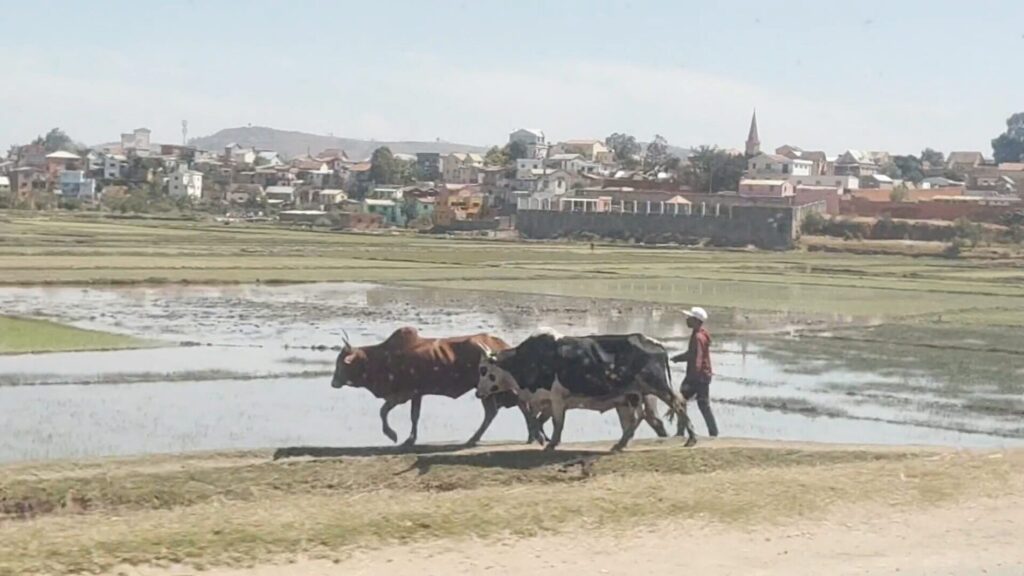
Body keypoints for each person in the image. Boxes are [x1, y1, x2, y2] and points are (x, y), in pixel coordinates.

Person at [670, 306, 718, 437]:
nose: (687, 320)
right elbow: (693, 354)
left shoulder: (698, 337)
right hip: (703, 376)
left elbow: (697, 357)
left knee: (680, 401)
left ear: (696, 321)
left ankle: (681, 432)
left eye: (689, 318)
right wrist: (678, 358)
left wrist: (691, 379)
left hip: (697, 377)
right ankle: (713, 433)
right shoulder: (702, 334)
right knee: (703, 405)